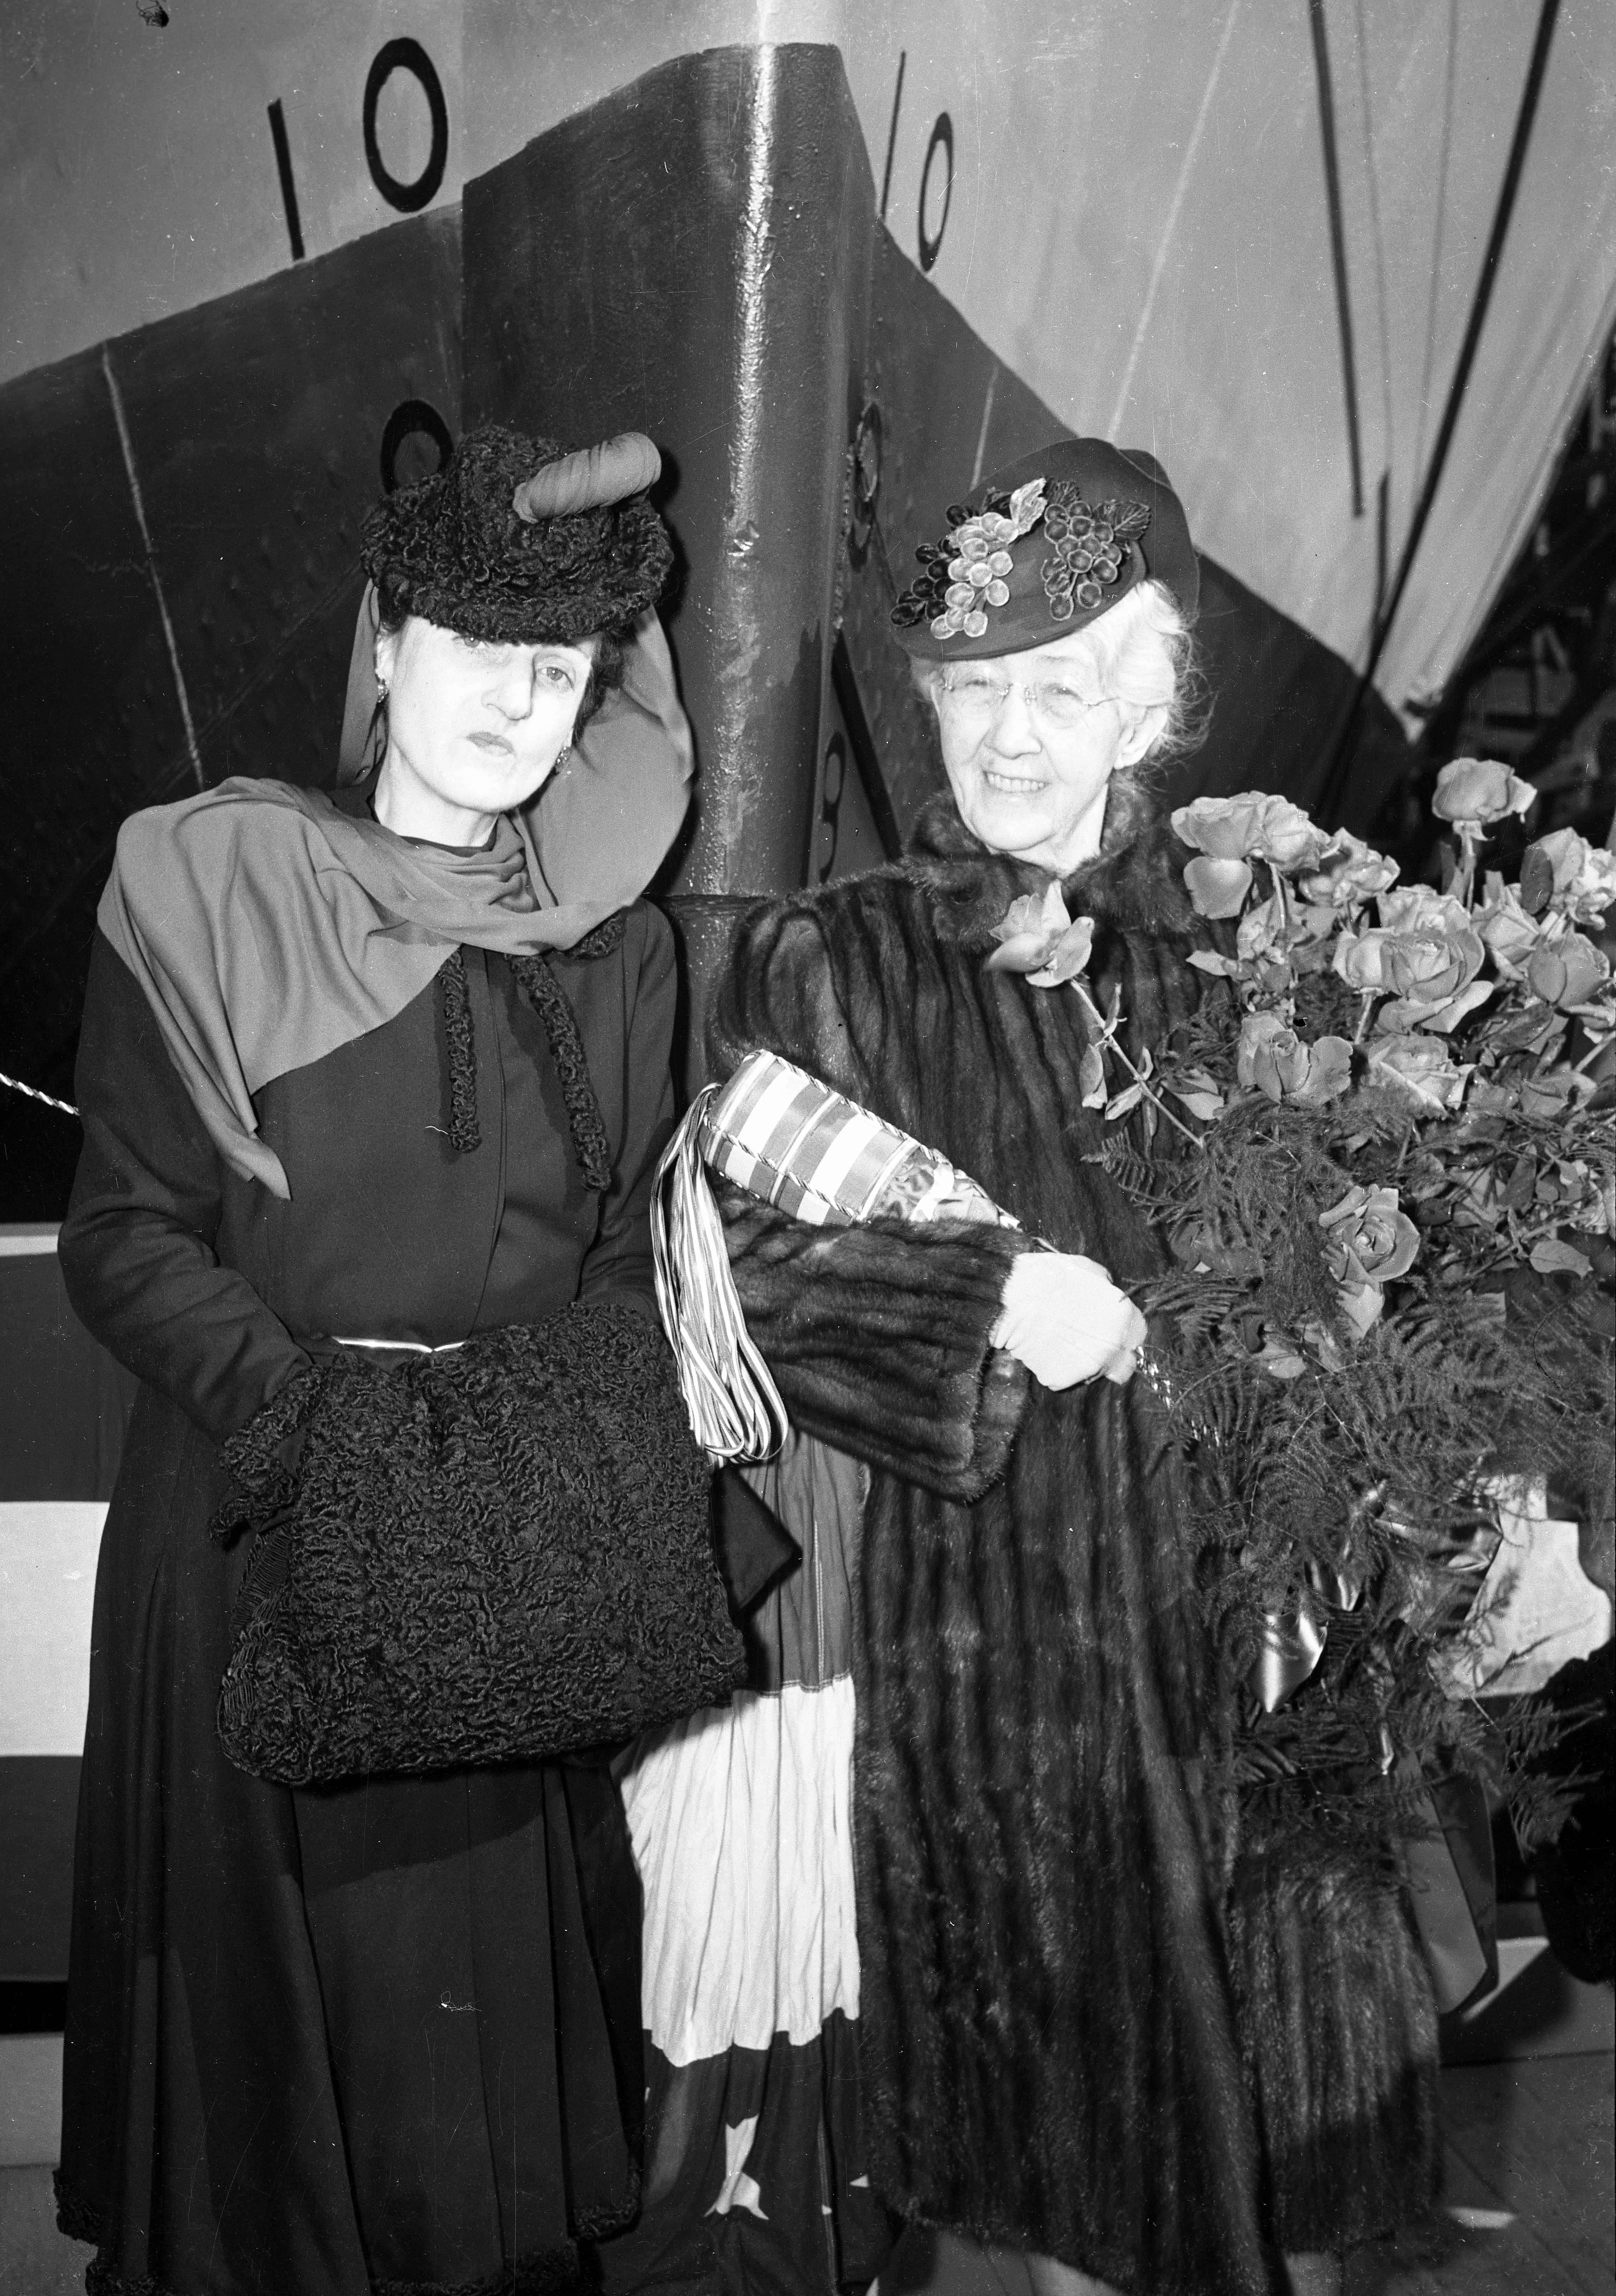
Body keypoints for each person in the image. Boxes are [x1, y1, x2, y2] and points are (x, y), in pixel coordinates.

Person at [613, 440, 1438, 2296]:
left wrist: (1297, 1354)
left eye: (1053, 691)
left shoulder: (1268, 954)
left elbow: (1385, 1283)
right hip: (1015, 1692)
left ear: (1142, 700)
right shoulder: (851, 961)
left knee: (1284, 2166)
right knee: (1095, 2184)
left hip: (1269, 1661)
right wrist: (981, 1304)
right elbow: (736, 1266)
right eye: (972, 692)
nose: (1003, 736)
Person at [55, 425, 720, 2296]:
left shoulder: (622, 953)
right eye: (483, 649)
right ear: (389, 648)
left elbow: (614, 1268)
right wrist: (319, 1430)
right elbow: (120, 1238)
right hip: (258, 1531)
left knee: (476, 2162)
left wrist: (531, 1462)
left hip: (503, 1560)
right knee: (264, 2164)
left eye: (567, 668)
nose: (525, 702)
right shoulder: (213, 886)